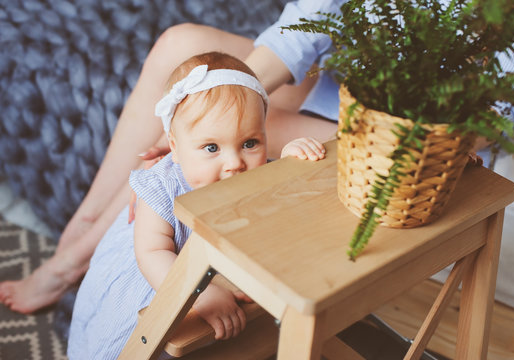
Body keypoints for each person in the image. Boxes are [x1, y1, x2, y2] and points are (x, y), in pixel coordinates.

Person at [0, 0, 344, 314]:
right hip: (332, 80)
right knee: (181, 45)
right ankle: (88, 221)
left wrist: (205, 122)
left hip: (369, 121)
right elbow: (308, 21)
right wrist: (205, 108)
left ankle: (72, 261)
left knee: (235, 130)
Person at [67, 51, 326, 359]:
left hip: (227, 276)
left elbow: (284, 202)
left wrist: (291, 161)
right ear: (174, 148)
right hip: (165, 279)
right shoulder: (163, 187)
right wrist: (198, 294)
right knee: (139, 340)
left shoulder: (259, 174)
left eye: (250, 143)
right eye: (212, 147)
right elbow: (152, 253)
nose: (234, 163)